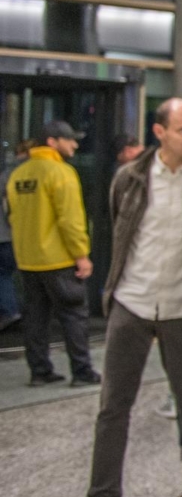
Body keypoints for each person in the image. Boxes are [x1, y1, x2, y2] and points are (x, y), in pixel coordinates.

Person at [89, 99, 182, 497]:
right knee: (113, 405)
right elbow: (117, 227)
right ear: (160, 133)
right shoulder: (130, 178)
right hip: (131, 301)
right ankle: (102, 491)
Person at [5, 120, 100, 387]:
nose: (75, 144)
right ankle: (82, 372)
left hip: (28, 259)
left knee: (36, 318)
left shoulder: (19, 174)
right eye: (69, 139)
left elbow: (11, 215)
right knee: (73, 315)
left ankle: (39, 371)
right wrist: (81, 254)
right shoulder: (61, 172)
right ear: (52, 142)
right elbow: (70, 220)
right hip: (59, 259)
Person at [0, 139, 37, 333]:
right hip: (27, 234)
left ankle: (10, 310)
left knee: (3, 273)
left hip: (5, 234)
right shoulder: (40, 172)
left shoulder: (9, 174)